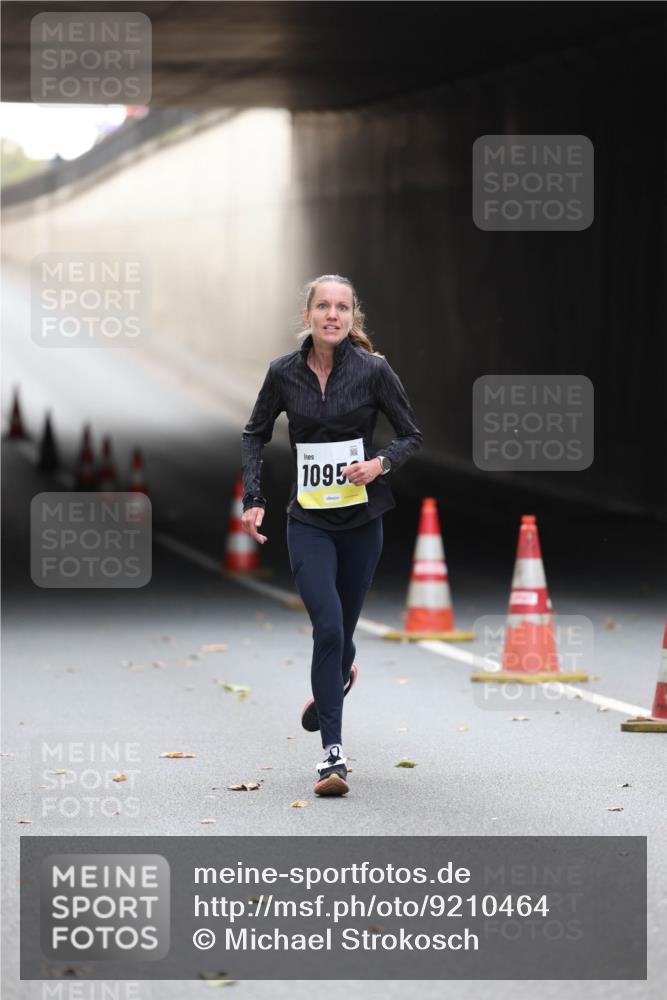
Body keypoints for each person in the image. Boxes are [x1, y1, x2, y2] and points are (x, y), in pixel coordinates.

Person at [241, 274, 422, 797]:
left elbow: (411, 434)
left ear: (351, 316)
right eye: (323, 306)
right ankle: (333, 757)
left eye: (342, 307)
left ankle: (338, 676)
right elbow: (255, 433)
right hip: (309, 522)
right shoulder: (283, 373)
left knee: (342, 630)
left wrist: (379, 464)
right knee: (327, 628)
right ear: (309, 316)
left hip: (362, 523)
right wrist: (254, 498)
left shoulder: (373, 371)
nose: (332, 315)